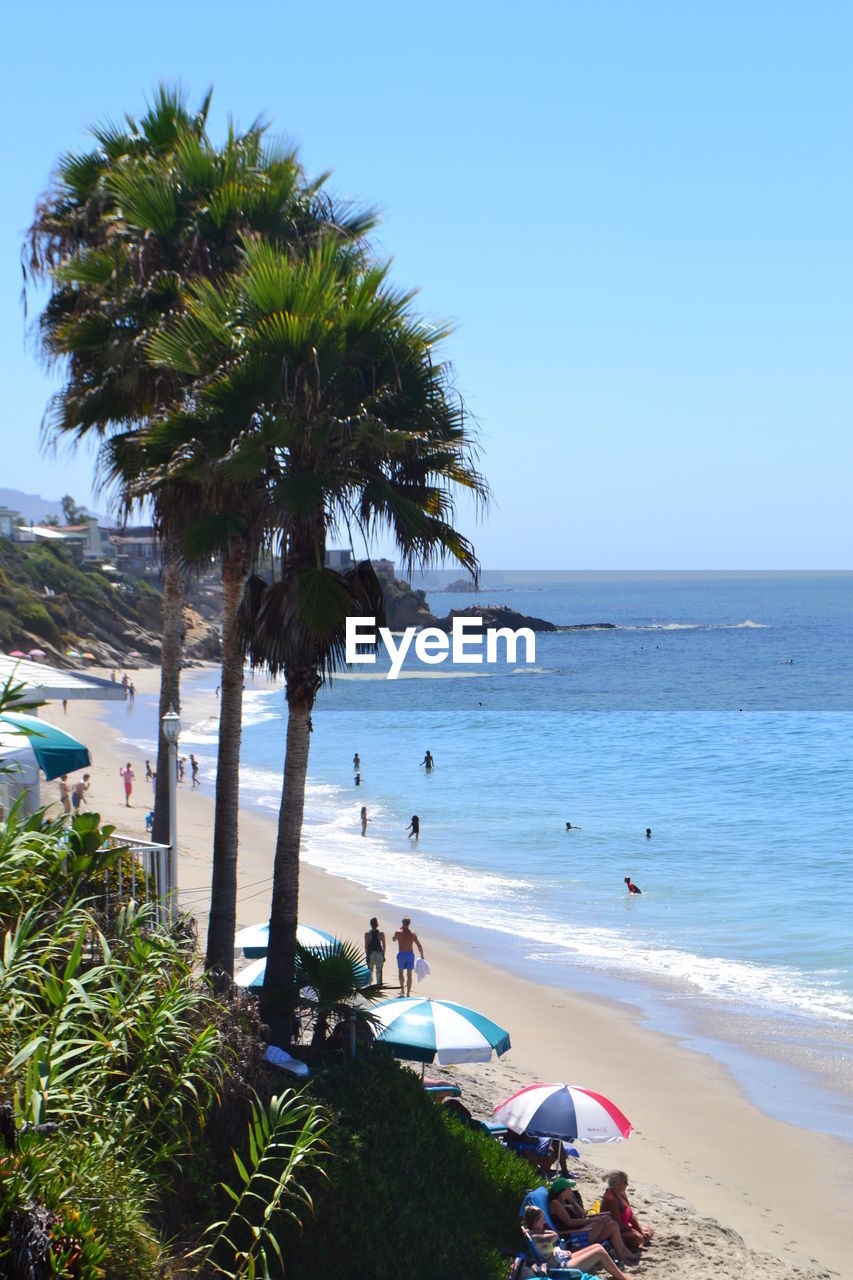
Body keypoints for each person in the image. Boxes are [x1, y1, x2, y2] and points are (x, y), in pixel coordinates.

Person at [521, 1205, 631, 1280]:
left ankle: (619, 1275)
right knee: (600, 1253)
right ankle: (622, 1277)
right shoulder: (537, 1237)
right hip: (560, 1269)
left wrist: (559, 1251)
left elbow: (547, 1249)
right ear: (535, 1222)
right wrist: (534, 1231)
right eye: (542, 1219)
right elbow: (554, 1236)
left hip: (560, 1260)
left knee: (597, 1246)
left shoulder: (535, 1234)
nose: (545, 1221)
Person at [547, 1177, 638, 1264]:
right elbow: (569, 1222)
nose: (571, 1190)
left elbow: (583, 1214)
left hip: (582, 1231)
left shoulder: (564, 1202)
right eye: (569, 1188)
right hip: (574, 1237)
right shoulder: (555, 1203)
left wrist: (572, 1201)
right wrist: (592, 1220)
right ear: (562, 1191)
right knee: (606, 1219)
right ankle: (624, 1256)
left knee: (613, 1225)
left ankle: (623, 1255)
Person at [601, 1170, 653, 1253]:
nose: (627, 1184)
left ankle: (641, 1241)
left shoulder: (621, 1193)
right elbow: (618, 1225)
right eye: (625, 1182)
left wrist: (639, 1229)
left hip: (625, 1226)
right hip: (615, 1232)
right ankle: (640, 1242)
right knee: (637, 1237)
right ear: (618, 1184)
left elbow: (631, 1214)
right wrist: (636, 1232)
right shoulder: (611, 1199)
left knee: (649, 1230)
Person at [392, 916, 424, 997]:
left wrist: (400, 929)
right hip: (410, 955)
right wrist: (422, 954)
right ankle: (408, 993)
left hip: (402, 954)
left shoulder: (398, 932)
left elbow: (393, 939)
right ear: (409, 924)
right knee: (409, 974)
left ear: (402, 923)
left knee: (400, 972)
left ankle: (402, 989)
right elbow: (419, 945)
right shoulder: (413, 934)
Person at [364, 917, 386, 985]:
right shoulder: (381, 934)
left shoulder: (367, 934)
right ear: (377, 924)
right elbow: (384, 945)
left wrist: (367, 955)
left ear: (371, 924)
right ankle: (379, 985)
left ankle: (369, 985)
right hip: (379, 953)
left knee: (370, 970)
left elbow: (366, 946)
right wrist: (383, 955)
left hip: (371, 953)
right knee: (379, 971)